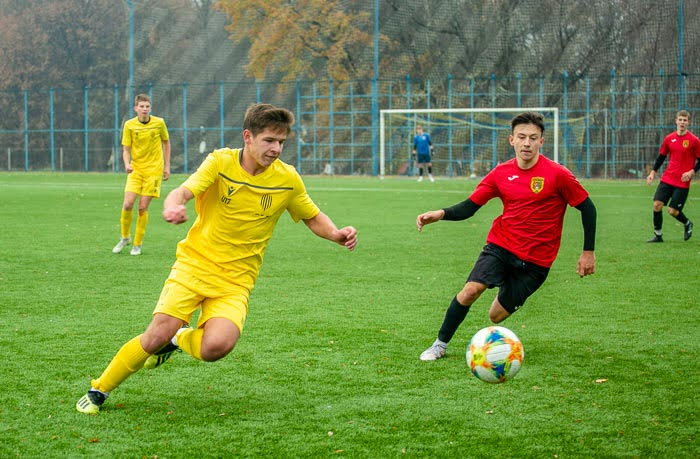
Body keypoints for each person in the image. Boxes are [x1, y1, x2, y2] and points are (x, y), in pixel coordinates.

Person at [77, 104, 358, 414]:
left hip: (236, 280)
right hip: (194, 265)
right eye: (269, 141)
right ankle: (98, 389)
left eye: (281, 143)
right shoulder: (220, 162)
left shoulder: (287, 179)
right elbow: (183, 192)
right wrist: (173, 205)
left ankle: (178, 339)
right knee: (156, 333)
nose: (276, 149)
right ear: (248, 137)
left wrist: (335, 234)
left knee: (216, 347)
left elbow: (312, 215)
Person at [415, 112, 597, 361]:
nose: (527, 143)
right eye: (521, 137)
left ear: (541, 142)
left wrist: (588, 252)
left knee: (495, 316)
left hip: (537, 262)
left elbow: (588, 208)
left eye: (533, 138)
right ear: (511, 140)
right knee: (470, 291)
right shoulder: (501, 173)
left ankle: (493, 342)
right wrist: (440, 214)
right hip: (501, 247)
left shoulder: (558, 174)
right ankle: (439, 344)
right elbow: (470, 206)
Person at [112, 94, 171, 256]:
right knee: (127, 205)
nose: (145, 109)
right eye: (142, 106)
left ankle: (137, 244)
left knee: (142, 207)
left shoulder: (159, 123)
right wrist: (127, 163)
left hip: (153, 171)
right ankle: (124, 238)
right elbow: (126, 149)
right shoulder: (129, 125)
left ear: (150, 108)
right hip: (136, 170)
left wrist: (167, 166)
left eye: (147, 106)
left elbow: (166, 143)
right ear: (136, 108)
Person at [645, 110, 700, 242]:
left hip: (682, 181)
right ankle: (658, 235)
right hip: (668, 178)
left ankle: (687, 223)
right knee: (657, 205)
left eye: (685, 120)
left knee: (672, 211)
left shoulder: (694, 140)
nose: (682, 122)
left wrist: (692, 172)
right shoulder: (669, 138)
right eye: (680, 120)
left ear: (688, 122)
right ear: (676, 121)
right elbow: (661, 157)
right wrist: (653, 172)